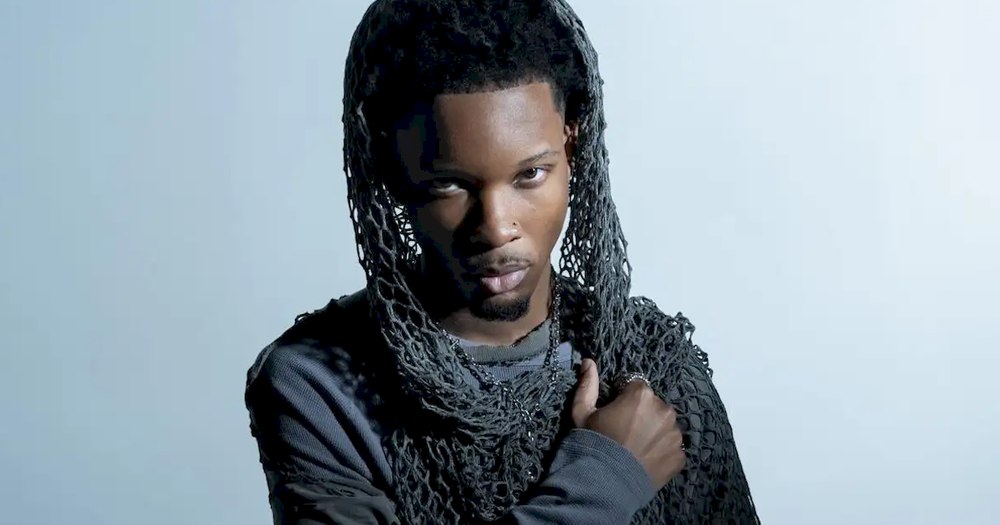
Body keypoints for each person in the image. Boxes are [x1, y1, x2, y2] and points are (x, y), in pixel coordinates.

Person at [244, 0, 760, 523]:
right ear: (392, 174)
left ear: (573, 148)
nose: (495, 227)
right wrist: (606, 478)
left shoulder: (655, 365)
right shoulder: (320, 386)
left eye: (530, 175)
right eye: (449, 184)